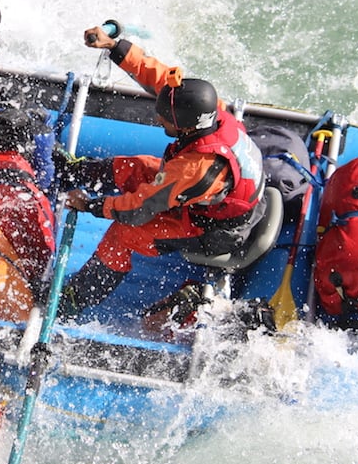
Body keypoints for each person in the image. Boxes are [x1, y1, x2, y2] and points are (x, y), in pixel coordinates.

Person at [58, 24, 267, 317]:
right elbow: (160, 78)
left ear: (187, 126)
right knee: (137, 166)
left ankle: (75, 299)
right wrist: (115, 47)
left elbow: (137, 209)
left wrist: (91, 205)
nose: (158, 118)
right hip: (206, 201)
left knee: (123, 233)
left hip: (212, 229)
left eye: (165, 117)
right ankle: (70, 172)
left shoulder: (197, 169)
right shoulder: (214, 113)